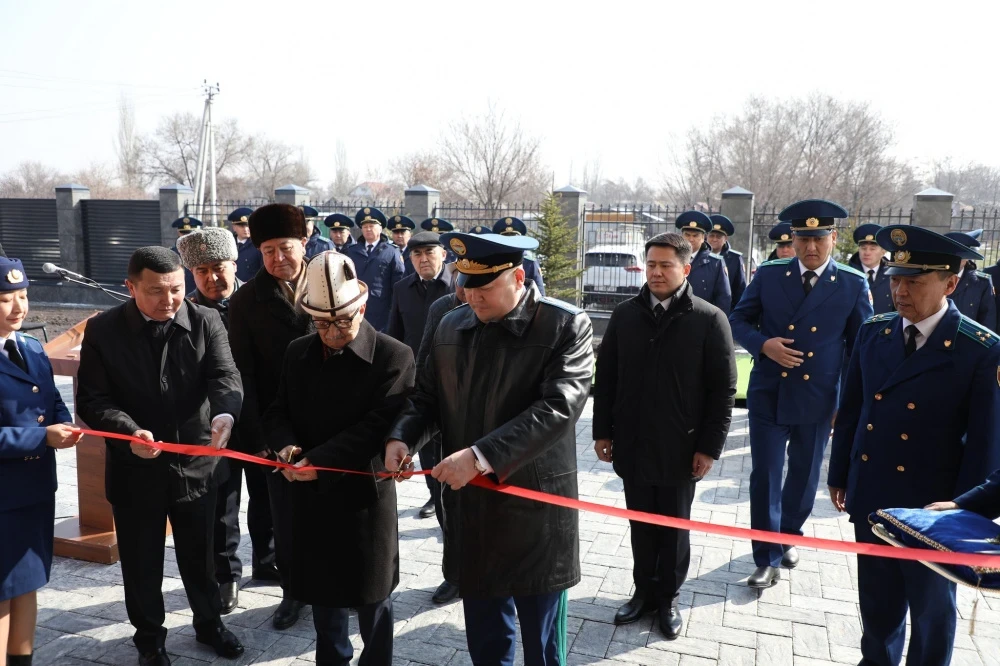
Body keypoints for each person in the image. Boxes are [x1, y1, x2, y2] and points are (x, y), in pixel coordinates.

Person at [385, 231, 593, 666]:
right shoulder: (450, 324)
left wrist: (480, 457)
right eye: (464, 284)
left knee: (543, 645)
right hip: (473, 510)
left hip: (535, 512)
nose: (470, 296)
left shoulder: (564, 325)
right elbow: (427, 398)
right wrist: (401, 437)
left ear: (518, 277)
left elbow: (558, 409)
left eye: (482, 287)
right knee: (486, 639)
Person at [829, 225, 1000, 666]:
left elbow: (985, 442)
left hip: (933, 509)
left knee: (931, 612)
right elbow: (852, 410)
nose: (901, 292)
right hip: (874, 497)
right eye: (895, 279)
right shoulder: (875, 331)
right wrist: (840, 475)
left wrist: (966, 512)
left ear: (950, 283)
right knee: (878, 607)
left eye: (915, 282)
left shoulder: (980, 350)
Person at [76, 247, 245, 666]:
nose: (168, 300)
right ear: (130, 287)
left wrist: (225, 412)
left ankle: (210, 624)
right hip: (136, 467)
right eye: (155, 291)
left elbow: (225, 374)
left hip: (197, 466)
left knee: (201, 557)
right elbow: (94, 399)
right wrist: (128, 431)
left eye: (176, 289)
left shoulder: (206, 321)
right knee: (142, 563)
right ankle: (149, 639)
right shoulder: (104, 331)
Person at [264, 251, 413, 666]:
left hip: (364, 495)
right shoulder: (298, 352)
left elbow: (376, 426)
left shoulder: (393, 355)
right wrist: (288, 448)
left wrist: (316, 461)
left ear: (361, 309)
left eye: (342, 322)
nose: (331, 332)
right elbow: (277, 410)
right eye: (321, 323)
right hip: (309, 498)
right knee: (323, 595)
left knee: (373, 597)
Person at [593, 232, 736, 638]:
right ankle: (642, 592)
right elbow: (606, 379)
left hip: (681, 446)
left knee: (673, 526)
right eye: (651, 264)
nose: (656, 272)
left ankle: (668, 598)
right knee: (640, 522)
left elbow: (722, 390)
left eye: (665, 265)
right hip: (634, 442)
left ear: (685, 268)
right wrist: (603, 430)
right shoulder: (625, 315)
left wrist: (709, 448)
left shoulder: (709, 319)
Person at [729, 199, 872, 589]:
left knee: (805, 476)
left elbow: (858, 350)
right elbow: (737, 318)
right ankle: (766, 556)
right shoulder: (771, 274)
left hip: (818, 398)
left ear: (834, 238)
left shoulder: (851, 283)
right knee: (766, 475)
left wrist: (844, 404)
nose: (811, 247)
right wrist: (763, 345)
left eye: (819, 239)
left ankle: (789, 532)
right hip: (770, 392)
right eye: (804, 238)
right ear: (793, 238)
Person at [176, 228, 278, 615]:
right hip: (214, 426)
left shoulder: (259, 301)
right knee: (222, 503)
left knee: (268, 498)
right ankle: (227, 575)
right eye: (201, 271)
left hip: (263, 418)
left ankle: (268, 561)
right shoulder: (184, 312)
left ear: (234, 265)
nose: (211, 278)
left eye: (218, 268)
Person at [227, 203, 312, 630]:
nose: (278, 258)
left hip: (333, 420)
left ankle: (339, 585)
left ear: (304, 242)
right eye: (267, 250)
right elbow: (242, 372)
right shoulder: (245, 302)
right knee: (286, 516)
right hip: (280, 428)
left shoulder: (335, 282)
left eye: (286, 247)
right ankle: (294, 591)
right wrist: (258, 433)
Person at [0, 257, 82, 666]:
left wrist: (64, 426)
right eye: (6, 299)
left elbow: (50, 402)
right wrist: (40, 437)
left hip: (35, 489)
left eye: (23, 296)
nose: (19, 307)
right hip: (2, 497)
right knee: (0, 591)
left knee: (28, 581)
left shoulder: (31, 348)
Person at [385, 231, 455, 584]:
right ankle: (451, 566)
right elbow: (393, 338)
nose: (423, 259)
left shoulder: (456, 289)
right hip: (421, 396)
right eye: (415, 254)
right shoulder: (402, 289)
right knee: (434, 478)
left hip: (457, 397)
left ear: (443, 254)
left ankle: (460, 565)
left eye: (429, 252)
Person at [346, 207, 404, 332]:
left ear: (380, 228)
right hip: (356, 306)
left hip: (381, 311)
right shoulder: (351, 251)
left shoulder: (391, 251)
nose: (368, 229)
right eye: (365, 226)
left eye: (372, 226)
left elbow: (398, 283)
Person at [675, 211, 731, 312]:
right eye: (687, 235)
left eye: (695, 235)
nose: (691, 239)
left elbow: (723, 298)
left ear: (703, 238)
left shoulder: (716, 263)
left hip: (703, 319)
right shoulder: (672, 259)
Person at [943, 230, 996, 332]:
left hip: (966, 341)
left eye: (960, 257)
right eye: (951, 256)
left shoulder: (981, 282)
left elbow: (988, 322)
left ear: (968, 257)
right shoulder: (932, 277)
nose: (955, 261)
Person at [493, 217, 546, 297]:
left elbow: (540, 293)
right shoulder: (493, 260)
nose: (510, 244)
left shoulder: (530, 262)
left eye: (514, 240)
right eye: (505, 240)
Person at [849, 224, 893, 315]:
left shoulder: (892, 275)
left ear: (883, 252)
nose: (867, 253)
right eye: (863, 248)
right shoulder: (849, 275)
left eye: (872, 249)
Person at [708, 215, 747, 311]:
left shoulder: (735, 258)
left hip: (726, 310)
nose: (714, 239)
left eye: (719, 236)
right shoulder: (699, 256)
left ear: (725, 238)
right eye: (711, 235)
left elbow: (740, 289)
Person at [229, 207, 263, 282]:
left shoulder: (258, 245)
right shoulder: (229, 245)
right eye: (241, 226)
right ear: (234, 227)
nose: (246, 229)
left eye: (248, 225)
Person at [170, 216, 202, 294]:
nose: (186, 237)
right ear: (179, 232)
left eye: (189, 233)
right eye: (183, 233)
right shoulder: (171, 253)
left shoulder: (203, 251)